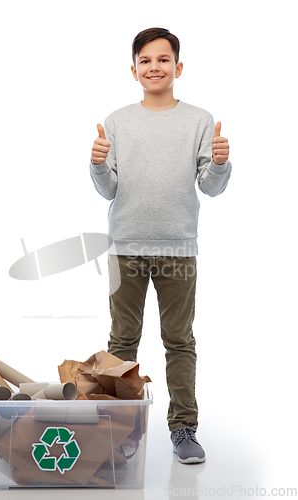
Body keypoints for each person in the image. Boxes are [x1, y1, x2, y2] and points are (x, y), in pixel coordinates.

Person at [89, 27, 231, 464]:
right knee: (121, 342)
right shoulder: (117, 120)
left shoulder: (199, 121)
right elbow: (108, 190)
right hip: (125, 248)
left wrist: (222, 164)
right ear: (134, 70)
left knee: (178, 340)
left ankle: (183, 428)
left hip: (179, 251)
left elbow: (211, 188)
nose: (155, 67)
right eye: (146, 61)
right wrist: (96, 165)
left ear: (178, 67)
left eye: (163, 59)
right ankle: (116, 428)